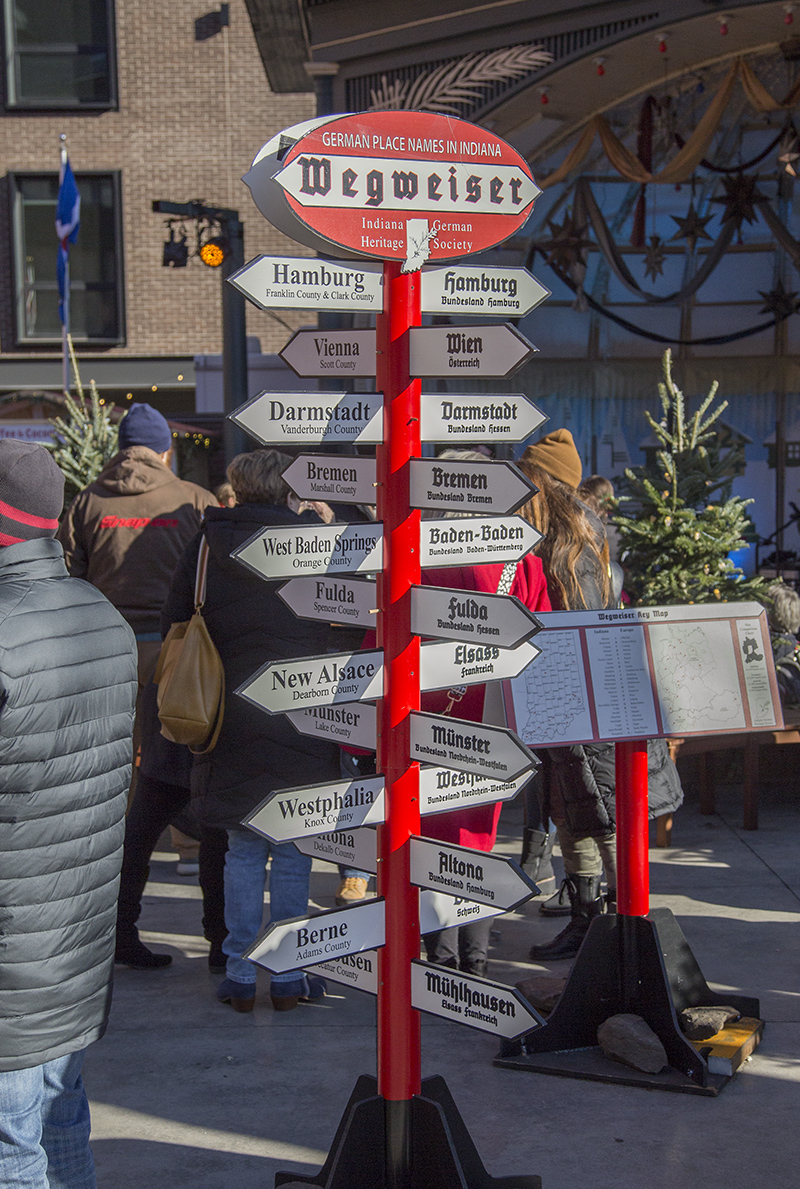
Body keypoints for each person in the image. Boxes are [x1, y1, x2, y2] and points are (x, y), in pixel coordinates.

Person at [0, 441, 137, 1188]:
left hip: (11, 963)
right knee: (62, 1125)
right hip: (72, 954)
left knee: (11, 1150)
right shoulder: (101, 614)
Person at [161, 449, 341, 1012]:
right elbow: (348, 620)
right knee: (291, 847)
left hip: (227, 713)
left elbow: (174, 615)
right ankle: (289, 974)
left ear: (237, 488)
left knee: (242, 846)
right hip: (304, 709)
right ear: (290, 489)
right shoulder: (314, 541)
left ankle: (240, 972)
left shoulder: (208, 543)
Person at [517, 429, 683, 961]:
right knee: (572, 810)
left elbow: (583, 628)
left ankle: (624, 931)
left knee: (603, 811)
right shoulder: (555, 535)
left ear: (547, 483)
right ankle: (588, 921)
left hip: (591, 700)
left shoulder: (572, 544)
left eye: (530, 476)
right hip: (562, 697)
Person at [392, 450, 551, 975]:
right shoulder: (520, 558)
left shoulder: (417, 554)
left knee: (429, 834)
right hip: (494, 713)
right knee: (477, 835)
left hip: (421, 710)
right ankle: (475, 961)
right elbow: (540, 635)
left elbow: (387, 641)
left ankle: (437, 955)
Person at [57, 402, 217, 795]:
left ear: (120, 449)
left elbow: (66, 577)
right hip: (178, 649)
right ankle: (189, 848)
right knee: (181, 745)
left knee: (112, 753)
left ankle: (122, 845)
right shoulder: (196, 501)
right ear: (165, 452)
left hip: (108, 650)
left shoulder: (87, 503)